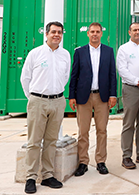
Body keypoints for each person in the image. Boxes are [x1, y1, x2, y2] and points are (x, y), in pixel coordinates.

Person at [20, 21, 70, 194]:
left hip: (58, 101)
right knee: (34, 141)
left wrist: (55, 95)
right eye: (53, 32)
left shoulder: (65, 55)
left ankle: (48, 175)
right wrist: (33, 98)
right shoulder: (36, 54)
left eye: (59, 32)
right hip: (38, 101)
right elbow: (25, 78)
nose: (57, 35)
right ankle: (31, 177)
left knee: (51, 141)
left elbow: (65, 77)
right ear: (46, 34)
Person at [69, 22, 118, 177]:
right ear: (88, 34)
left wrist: (113, 94)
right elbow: (74, 75)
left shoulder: (109, 52)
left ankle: (101, 161)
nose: (95, 34)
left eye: (97, 31)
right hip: (83, 96)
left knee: (102, 130)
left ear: (101, 34)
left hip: (102, 96)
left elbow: (112, 75)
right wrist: (71, 96)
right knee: (83, 131)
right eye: (92, 32)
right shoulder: (79, 52)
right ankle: (83, 162)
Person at [116, 22, 139, 169]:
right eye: (135, 30)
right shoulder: (124, 49)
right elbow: (122, 70)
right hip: (131, 89)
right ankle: (126, 156)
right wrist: (137, 81)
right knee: (129, 123)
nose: (137, 32)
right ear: (129, 32)